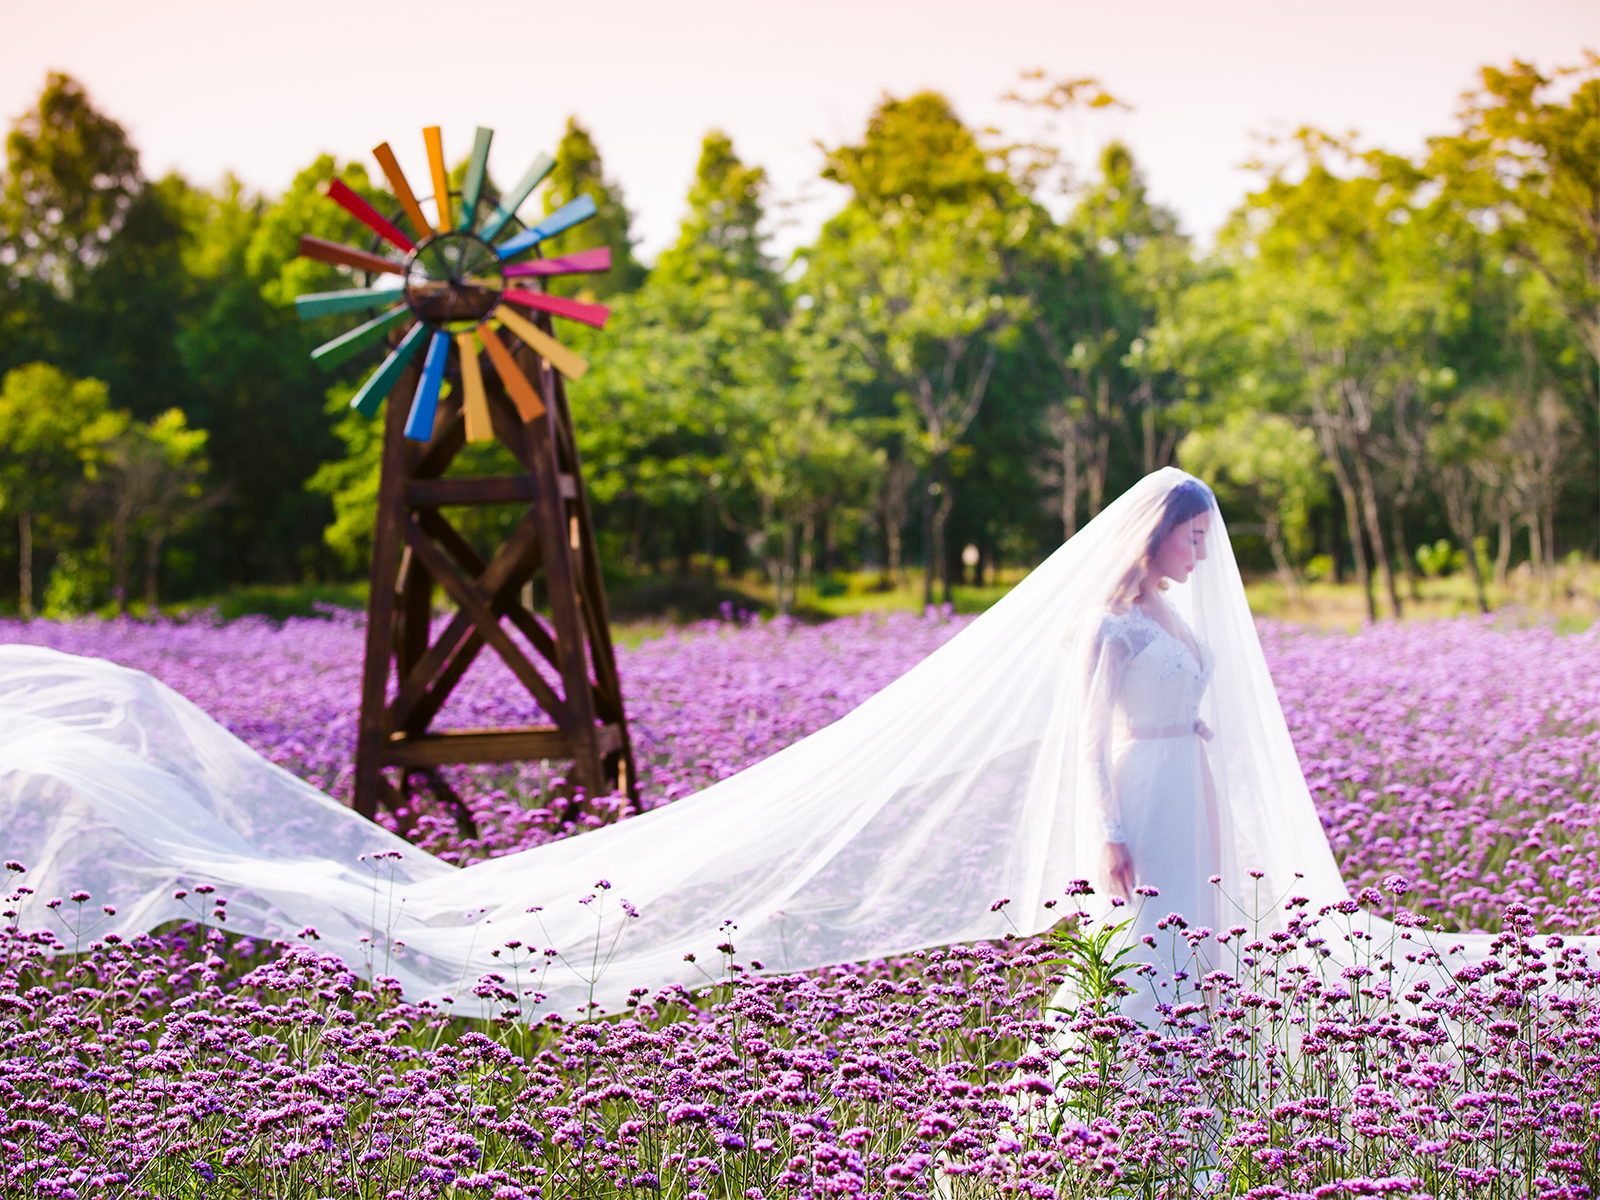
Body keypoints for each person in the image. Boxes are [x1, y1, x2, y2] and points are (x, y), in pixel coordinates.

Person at [0, 469, 1474, 1018]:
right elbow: (1082, 744)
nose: (1200, 557)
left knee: (1211, 929)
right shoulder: (1102, 627)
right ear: (1155, 539)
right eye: (1191, 536)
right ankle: (1144, 1044)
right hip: (1142, 785)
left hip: (1195, 772)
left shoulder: (1184, 615)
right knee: (1146, 928)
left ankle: (1203, 1030)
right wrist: (1100, 823)